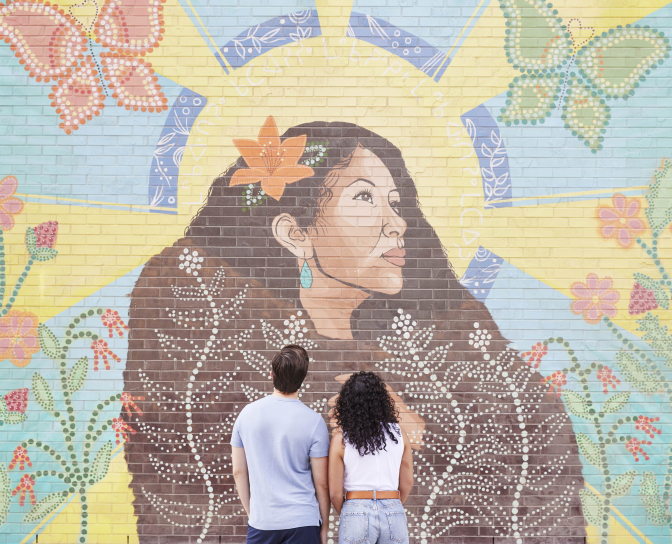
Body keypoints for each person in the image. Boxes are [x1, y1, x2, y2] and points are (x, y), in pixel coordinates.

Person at [124, 119, 586, 542]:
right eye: (365, 197)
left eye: (396, 201)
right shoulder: (213, 343)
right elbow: (183, 473)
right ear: (294, 234)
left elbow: (534, 445)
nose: (398, 223)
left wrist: (428, 432)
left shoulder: (449, 342)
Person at [231, 344, 330, 544]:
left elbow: (239, 472)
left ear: (271, 375)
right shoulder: (314, 421)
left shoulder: (246, 414)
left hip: (263, 521)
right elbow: (322, 483)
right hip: (303, 521)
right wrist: (325, 526)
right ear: (302, 380)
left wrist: (253, 514)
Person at [328, 372, 413, 544]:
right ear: (381, 401)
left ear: (348, 403)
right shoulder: (400, 435)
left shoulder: (341, 440)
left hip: (355, 509)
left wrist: (350, 511)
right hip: (392, 509)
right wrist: (391, 504)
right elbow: (407, 483)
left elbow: (335, 493)